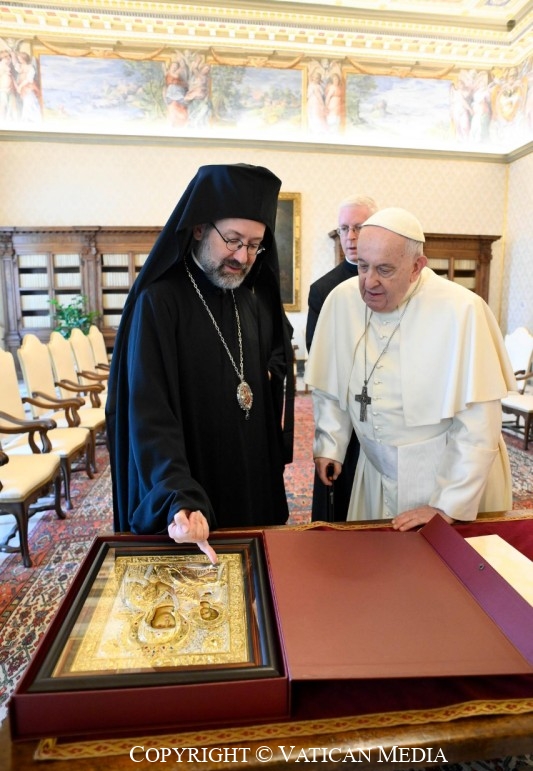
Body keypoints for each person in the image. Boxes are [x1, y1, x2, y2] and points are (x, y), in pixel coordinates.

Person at [106, 164, 295, 564]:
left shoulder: (248, 298)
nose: (242, 256)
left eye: (254, 245)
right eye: (233, 240)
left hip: (247, 476)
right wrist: (178, 493)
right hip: (192, 482)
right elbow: (149, 413)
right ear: (198, 229)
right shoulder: (159, 302)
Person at [305, 207, 516, 531]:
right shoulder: (341, 301)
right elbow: (331, 386)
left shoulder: (462, 310)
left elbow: (478, 424)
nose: (369, 282)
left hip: (445, 471)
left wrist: (448, 504)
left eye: (385, 269)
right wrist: (330, 443)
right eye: (362, 266)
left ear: (417, 266)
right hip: (376, 473)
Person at [305, 194, 378, 521]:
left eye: (359, 227)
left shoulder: (395, 281)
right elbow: (320, 356)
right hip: (345, 404)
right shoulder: (324, 290)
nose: (350, 236)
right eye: (344, 228)